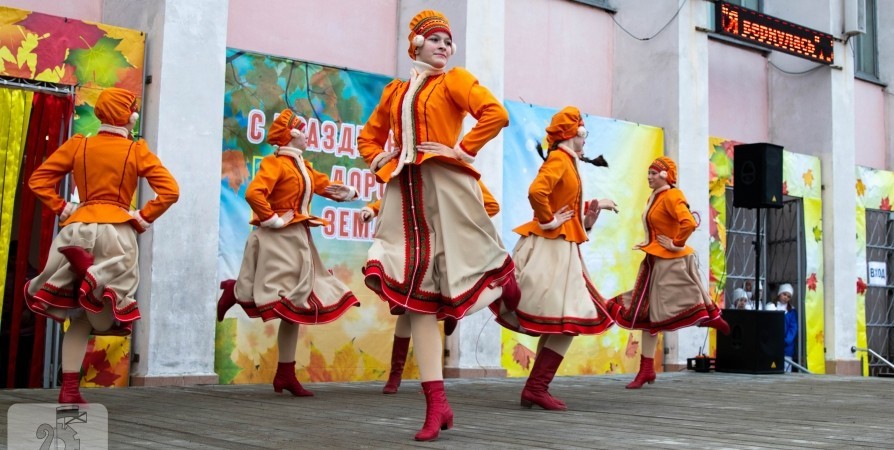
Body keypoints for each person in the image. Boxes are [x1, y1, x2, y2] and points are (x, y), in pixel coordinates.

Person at [357, 9, 517, 441]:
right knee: (416, 300)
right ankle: (436, 405)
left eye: (448, 40)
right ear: (415, 44)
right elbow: (368, 137)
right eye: (435, 39)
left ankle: (504, 283)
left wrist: (462, 149)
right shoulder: (395, 91)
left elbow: (495, 113)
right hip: (405, 192)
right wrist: (382, 159)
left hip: (444, 184)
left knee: (464, 266)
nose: (444, 46)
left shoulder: (455, 81)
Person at [24, 87, 179, 404]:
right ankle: (91, 275)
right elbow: (170, 191)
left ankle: (69, 389)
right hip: (115, 232)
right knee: (107, 315)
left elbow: (38, 180)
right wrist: (142, 217)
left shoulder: (79, 144)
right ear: (130, 116)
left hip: (76, 229)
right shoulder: (135, 151)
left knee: (79, 318)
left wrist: (64, 207)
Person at [216, 109, 360, 397]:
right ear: (292, 135)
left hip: (297, 236)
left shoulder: (302, 166)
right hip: (278, 237)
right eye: (302, 130)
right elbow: (254, 193)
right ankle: (235, 291)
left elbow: (320, 184)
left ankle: (285, 373)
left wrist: (346, 192)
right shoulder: (275, 164)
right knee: (286, 298)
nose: (307, 135)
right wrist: (273, 219)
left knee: (295, 305)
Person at [492, 106, 618, 410]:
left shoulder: (567, 161)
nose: (585, 139)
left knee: (561, 322)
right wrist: (549, 221)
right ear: (572, 133)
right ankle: (536, 387)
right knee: (569, 321)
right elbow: (537, 192)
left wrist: (588, 217)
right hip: (551, 250)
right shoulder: (560, 159)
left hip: (561, 249)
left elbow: (565, 208)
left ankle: (536, 388)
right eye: (583, 133)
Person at [361, 180, 500, 395]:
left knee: (441, 292)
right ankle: (395, 375)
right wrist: (373, 208)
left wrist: (455, 221)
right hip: (418, 245)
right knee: (407, 308)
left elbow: (490, 205)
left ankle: (452, 313)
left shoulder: (457, 172)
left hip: (445, 246)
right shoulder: (416, 168)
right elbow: (403, 194)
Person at [607, 156, 730, 389]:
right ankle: (646, 369)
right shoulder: (655, 196)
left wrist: (676, 243)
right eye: (649, 173)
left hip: (669, 260)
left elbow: (688, 223)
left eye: (654, 173)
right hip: (655, 259)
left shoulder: (673, 195)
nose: (649, 177)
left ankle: (710, 317)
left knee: (671, 303)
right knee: (648, 314)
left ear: (665, 175)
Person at [777, 283, 798, 372]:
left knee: (786, 371)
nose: (786, 297)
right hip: (773, 346)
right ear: (779, 294)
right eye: (784, 294)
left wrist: (785, 341)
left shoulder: (792, 311)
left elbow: (793, 329)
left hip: (787, 348)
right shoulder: (771, 307)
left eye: (788, 296)